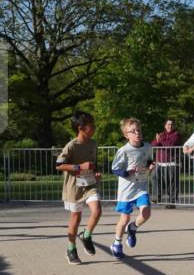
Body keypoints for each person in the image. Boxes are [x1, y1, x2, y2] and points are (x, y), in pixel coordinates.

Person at [55, 110, 102, 266]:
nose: (94, 127)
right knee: (76, 218)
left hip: (89, 185)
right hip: (74, 187)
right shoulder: (71, 145)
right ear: (81, 127)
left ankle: (86, 235)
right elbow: (59, 165)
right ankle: (71, 248)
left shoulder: (94, 144)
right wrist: (78, 166)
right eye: (91, 125)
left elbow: (94, 163)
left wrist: (96, 172)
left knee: (97, 210)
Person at [110, 118, 154, 259]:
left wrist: (151, 166)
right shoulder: (124, 150)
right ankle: (117, 243)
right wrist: (126, 172)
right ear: (126, 135)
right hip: (127, 190)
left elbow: (149, 160)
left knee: (146, 213)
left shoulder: (147, 147)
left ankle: (133, 227)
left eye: (138, 130)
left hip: (141, 186)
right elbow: (115, 169)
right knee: (124, 218)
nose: (137, 133)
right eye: (133, 131)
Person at [152, 119, 181, 209]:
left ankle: (172, 201)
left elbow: (170, 144)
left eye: (171, 124)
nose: (170, 126)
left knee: (171, 183)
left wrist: (159, 140)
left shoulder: (176, 134)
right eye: (168, 124)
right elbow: (153, 145)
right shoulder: (161, 134)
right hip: (160, 163)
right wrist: (158, 141)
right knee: (155, 177)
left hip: (171, 163)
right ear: (165, 126)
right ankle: (157, 197)